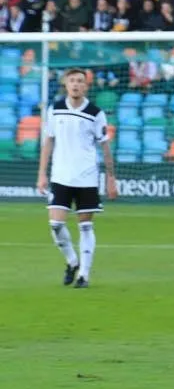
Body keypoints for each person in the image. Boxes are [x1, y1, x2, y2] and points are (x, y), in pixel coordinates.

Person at [36, 69, 118, 288]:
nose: (76, 85)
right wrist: (42, 174)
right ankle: (73, 262)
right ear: (65, 84)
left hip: (86, 177)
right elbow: (49, 142)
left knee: (85, 227)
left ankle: (84, 275)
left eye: (80, 81)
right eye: (72, 81)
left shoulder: (95, 113)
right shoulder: (55, 110)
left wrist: (111, 177)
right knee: (55, 224)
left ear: (86, 86)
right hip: (60, 175)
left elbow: (105, 146)